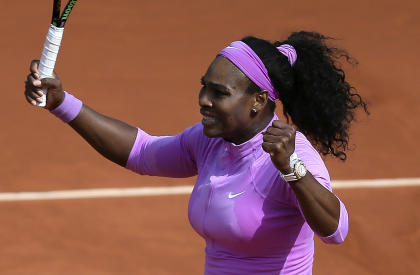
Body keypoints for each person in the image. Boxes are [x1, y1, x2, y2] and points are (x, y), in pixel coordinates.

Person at [24, 31, 368, 274]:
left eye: (219, 93)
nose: (203, 100)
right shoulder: (210, 141)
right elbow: (143, 152)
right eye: (204, 86)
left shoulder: (289, 156)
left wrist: (291, 169)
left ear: (258, 100)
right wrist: (62, 104)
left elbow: (336, 230)